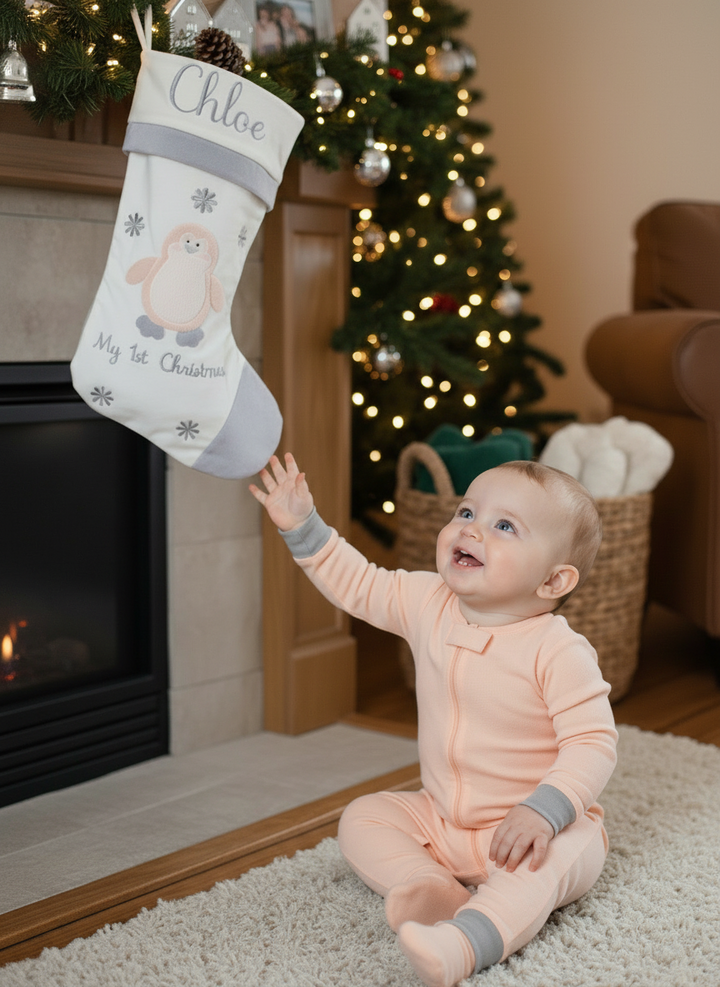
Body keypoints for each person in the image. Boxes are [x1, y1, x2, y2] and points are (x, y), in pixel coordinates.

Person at [250, 454, 618, 987]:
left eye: (505, 526)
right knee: (364, 817)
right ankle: (428, 885)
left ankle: (464, 943)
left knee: (549, 866)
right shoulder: (429, 600)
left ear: (553, 580)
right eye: (467, 511)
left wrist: (545, 812)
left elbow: (593, 741)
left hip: (531, 830)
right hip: (442, 818)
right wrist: (303, 525)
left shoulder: (557, 649)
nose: (471, 529)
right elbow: (360, 583)